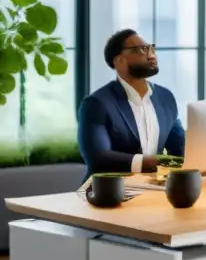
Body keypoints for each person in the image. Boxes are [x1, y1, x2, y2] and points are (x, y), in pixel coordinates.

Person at [77, 29, 186, 179]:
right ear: (119, 61)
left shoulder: (165, 97)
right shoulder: (97, 103)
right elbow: (98, 158)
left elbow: (180, 146)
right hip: (109, 192)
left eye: (151, 48)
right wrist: (151, 163)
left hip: (155, 188)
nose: (151, 54)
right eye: (141, 49)